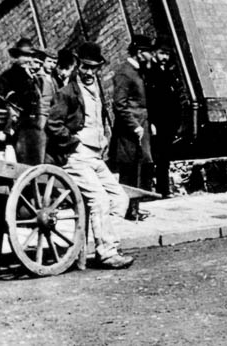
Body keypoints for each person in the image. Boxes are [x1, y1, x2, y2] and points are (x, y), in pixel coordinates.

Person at [45, 41, 134, 269]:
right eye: (84, 67)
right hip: (76, 158)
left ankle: (104, 237)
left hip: (95, 158)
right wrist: (73, 142)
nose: (88, 72)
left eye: (93, 68)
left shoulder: (97, 89)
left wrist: (104, 138)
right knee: (100, 200)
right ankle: (107, 252)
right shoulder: (68, 93)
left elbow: (101, 117)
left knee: (119, 199)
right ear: (77, 65)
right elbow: (53, 125)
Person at [112, 35, 155, 217]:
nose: (151, 56)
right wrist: (135, 126)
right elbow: (119, 105)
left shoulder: (137, 71)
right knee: (129, 169)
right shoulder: (125, 72)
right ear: (139, 52)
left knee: (139, 167)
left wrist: (148, 123)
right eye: (148, 52)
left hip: (141, 126)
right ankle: (128, 210)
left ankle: (134, 208)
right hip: (130, 130)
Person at [146, 44, 187, 198]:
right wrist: (152, 123)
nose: (165, 58)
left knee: (165, 157)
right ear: (155, 53)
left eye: (167, 54)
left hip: (169, 122)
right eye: (162, 53)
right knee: (158, 157)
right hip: (158, 122)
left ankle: (164, 190)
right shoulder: (151, 73)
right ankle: (159, 190)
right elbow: (150, 101)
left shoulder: (168, 73)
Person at [4, 38, 46, 164]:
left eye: (30, 56)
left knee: (37, 163)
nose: (27, 59)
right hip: (21, 129)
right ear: (16, 57)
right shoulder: (8, 76)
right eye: (24, 56)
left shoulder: (32, 79)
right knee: (26, 165)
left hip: (34, 127)